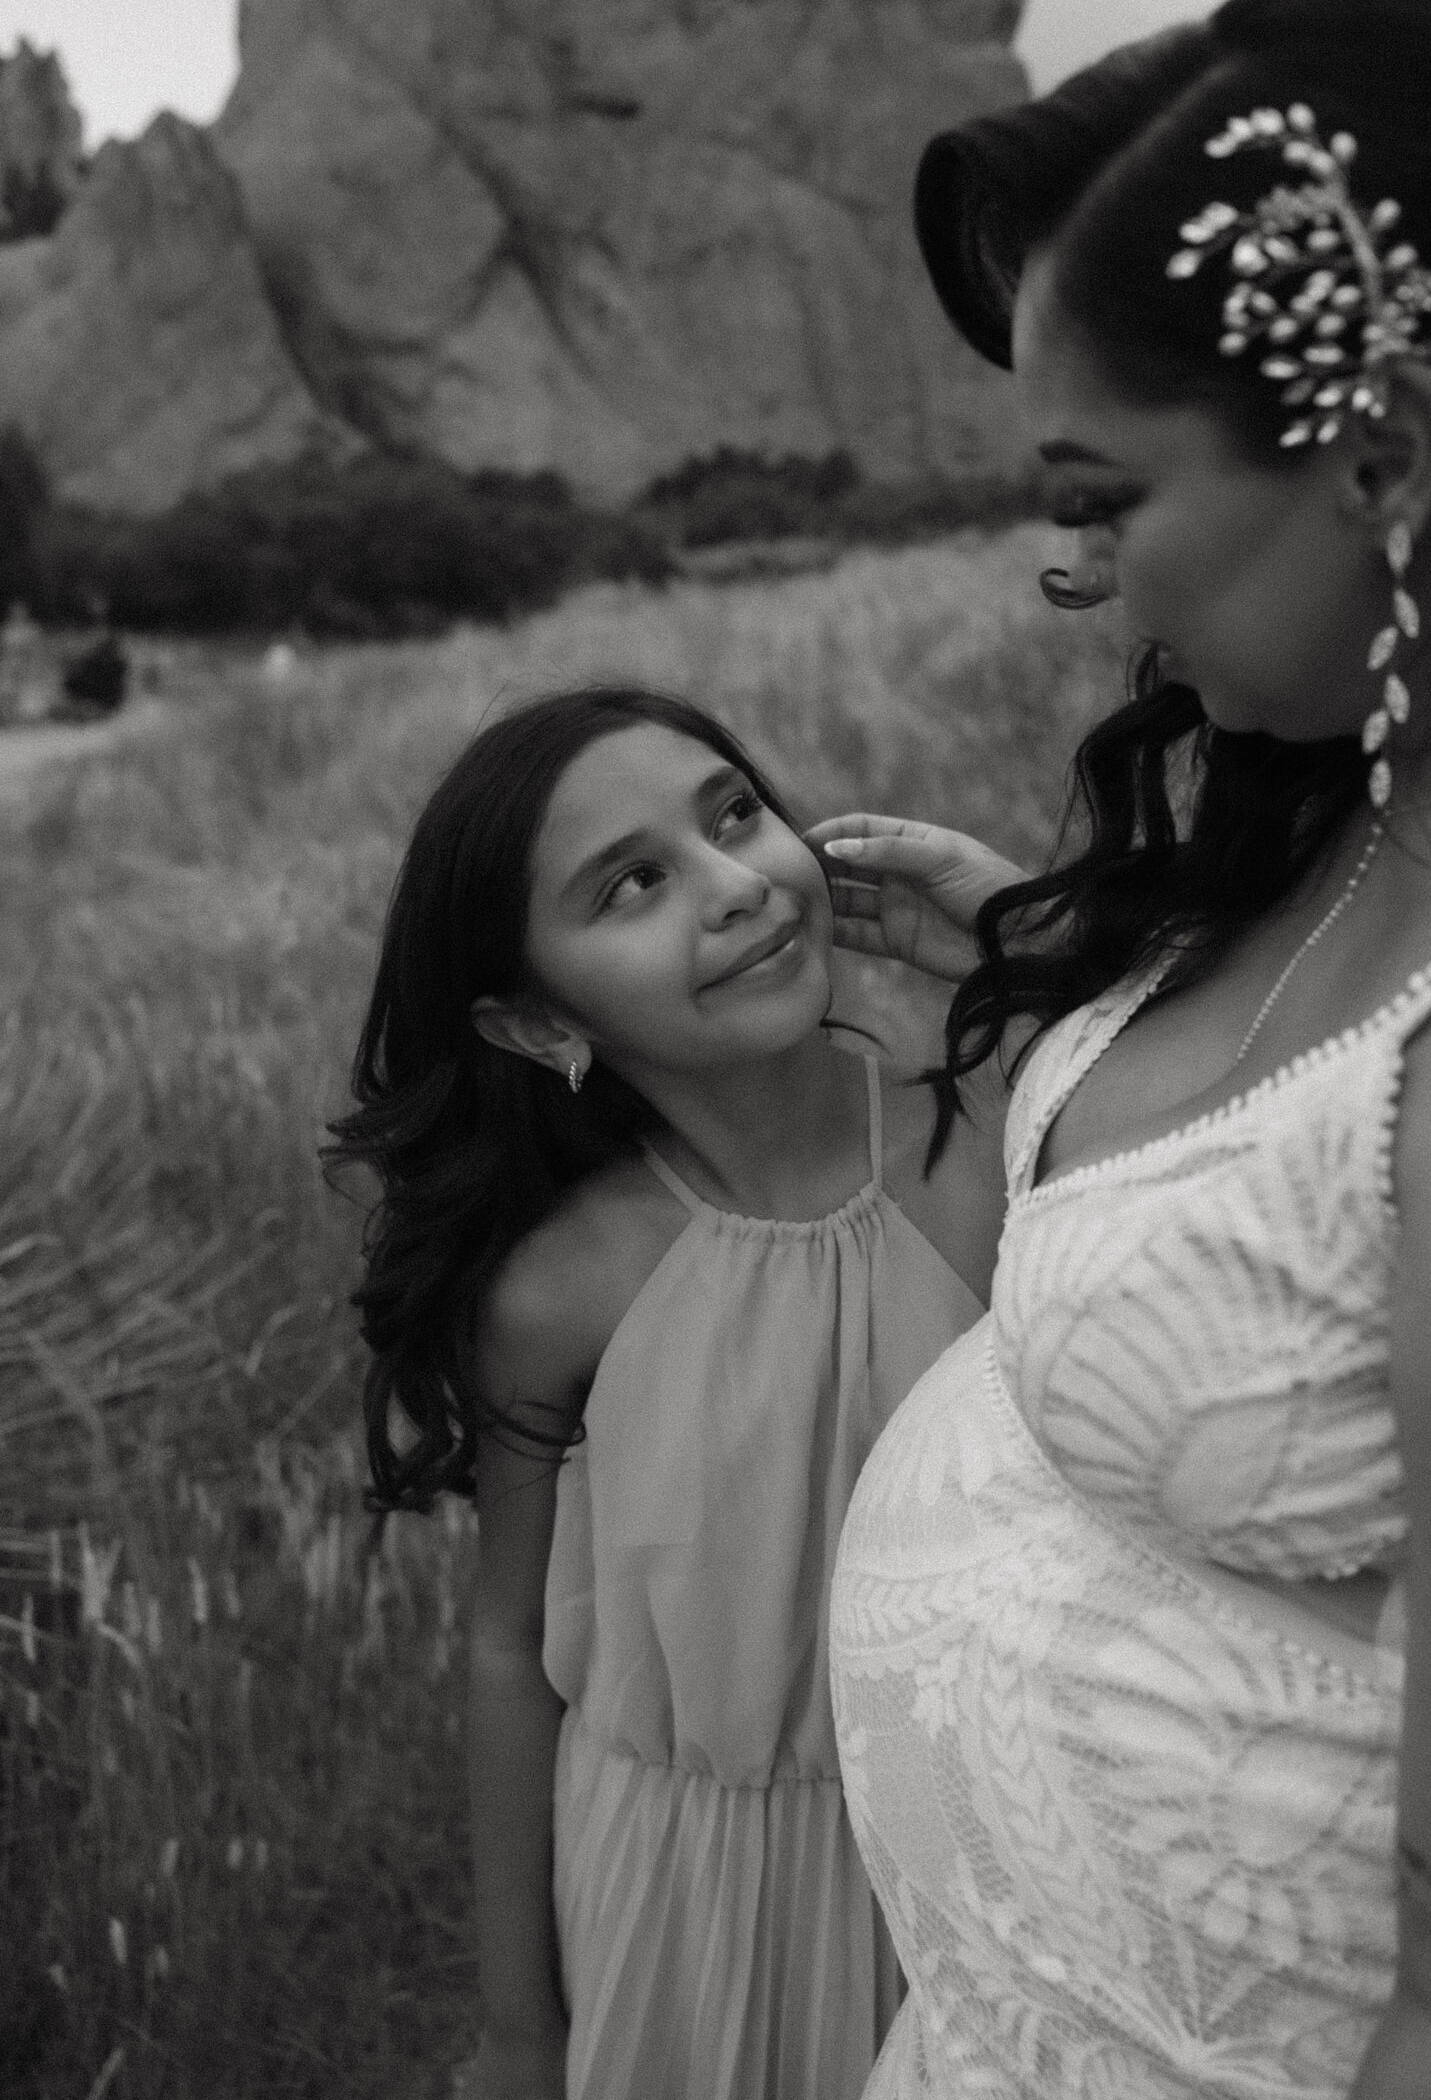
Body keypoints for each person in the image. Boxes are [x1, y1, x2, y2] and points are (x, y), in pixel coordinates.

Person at [817, 0, 1431, 2098]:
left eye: (1103, 500)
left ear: (1386, 451)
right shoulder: (1327, 802)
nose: (1095, 594)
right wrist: (1042, 997)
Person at [326, 686, 1004, 2100]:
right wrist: (522, 2029)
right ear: (530, 1022)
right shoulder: (565, 1288)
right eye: (633, 883)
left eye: (736, 816)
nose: (736, 887)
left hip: (980, 1861)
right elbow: (513, 1648)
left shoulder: (996, 1147)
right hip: (682, 1896)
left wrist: (1032, 944)